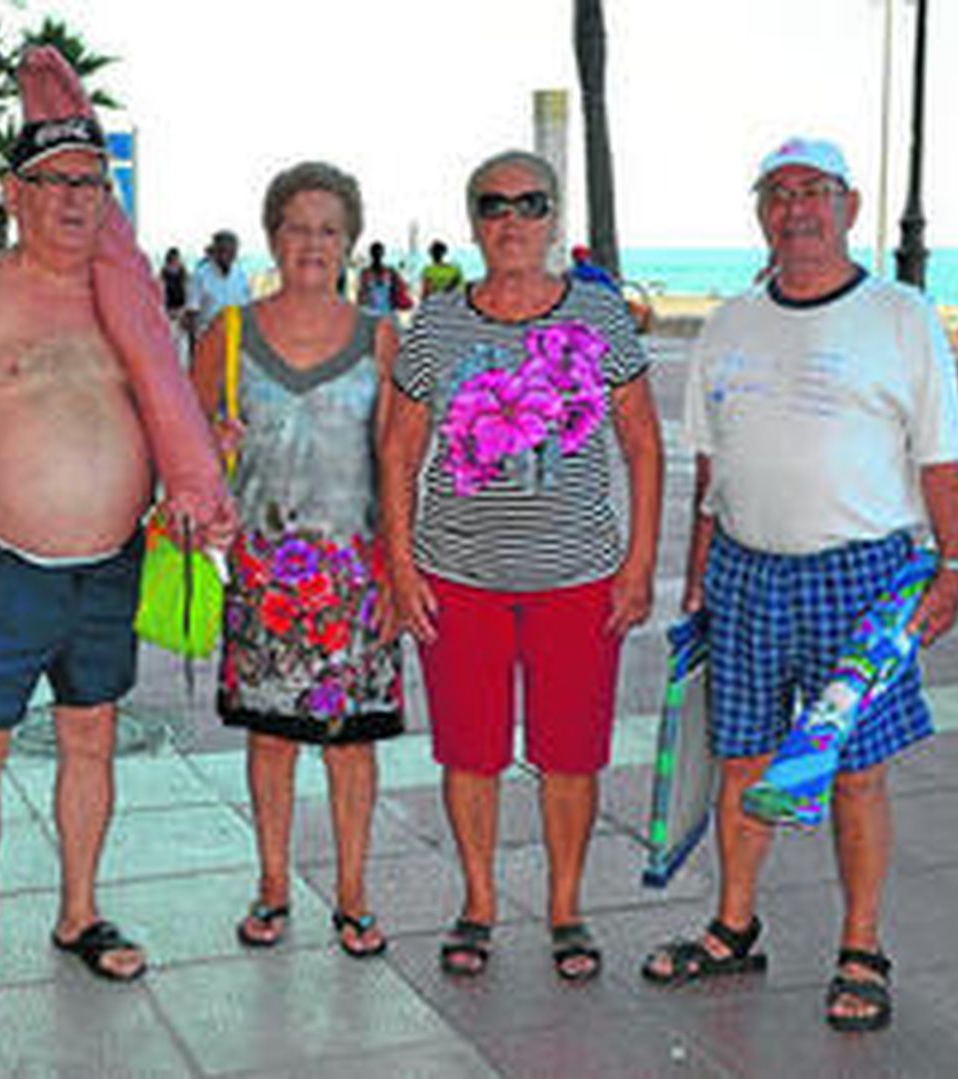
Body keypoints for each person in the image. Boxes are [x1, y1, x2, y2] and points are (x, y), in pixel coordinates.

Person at [0, 47, 231, 1039]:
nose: (77, 200)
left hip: (109, 564)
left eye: (92, 183)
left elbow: (166, 415)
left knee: (90, 733)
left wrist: (199, 467)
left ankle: (79, 908)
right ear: (14, 192)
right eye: (57, 183)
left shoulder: (128, 298)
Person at [641, 137, 958, 1034]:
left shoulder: (901, 317)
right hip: (745, 571)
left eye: (813, 193)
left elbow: (942, 456)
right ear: (761, 213)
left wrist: (955, 564)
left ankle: (862, 946)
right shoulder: (730, 322)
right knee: (743, 759)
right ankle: (733, 924)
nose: (796, 210)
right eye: (778, 194)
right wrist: (699, 571)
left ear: (850, 207)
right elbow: (714, 461)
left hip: (862, 574)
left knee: (856, 771)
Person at [381, 149, 662, 982]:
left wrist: (639, 562)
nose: (511, 220)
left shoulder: (600, 318)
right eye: (493, 205)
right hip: (458, 578)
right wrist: (400, 567)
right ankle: (478, 902)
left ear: (553, 217)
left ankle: (568, 907)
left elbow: (644, 442)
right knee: (470, 753)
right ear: (472, 222)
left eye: (529, 204)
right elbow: (398, 450)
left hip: (577, 579)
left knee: (570, 754)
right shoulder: (436, 324)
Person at [191, 161, 404, 959]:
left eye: (328, 228)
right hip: (264, 574)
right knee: (271, 740)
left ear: (349, 239)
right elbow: (186, 439)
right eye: (297, 226)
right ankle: (273, 886)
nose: (312, 242)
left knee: (353, 743)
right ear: (272, 234)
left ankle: (353, 894)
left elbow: (400, 461)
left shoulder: (382, 336)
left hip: (357, 574)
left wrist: (396, 568)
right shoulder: (230, 331)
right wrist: (213, 445)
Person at [185, 229, 251, 339]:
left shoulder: (240, 275)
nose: (227, 256)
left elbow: (246, 307)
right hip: (207, 337)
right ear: (215, 251)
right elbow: (192, 312)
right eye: (223, 251)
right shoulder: (200, 276)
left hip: (233, 338)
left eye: (232, 252)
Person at [356, 241, 411, 315]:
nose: (377, 254)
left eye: (379, 252)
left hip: (386, 313)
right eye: (376, 252)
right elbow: (361, 295)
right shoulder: (366, 273)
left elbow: (401, 287)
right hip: (372, 313)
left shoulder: (390, 272)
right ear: (371, 254)